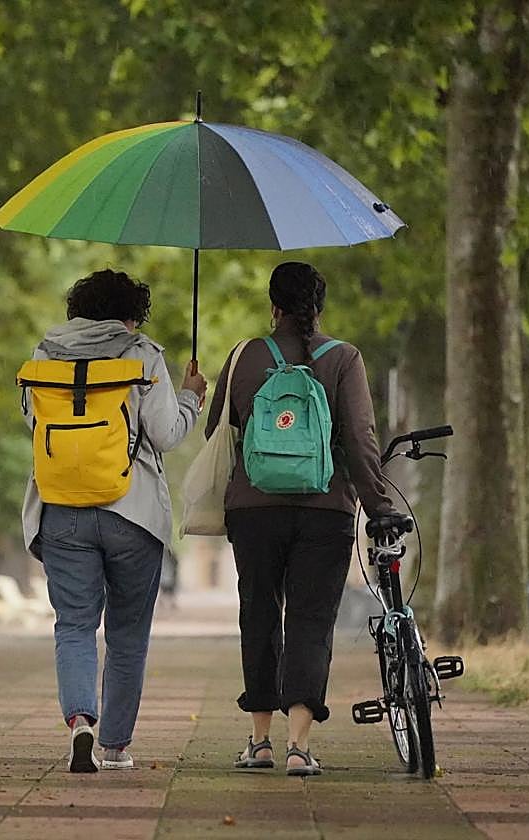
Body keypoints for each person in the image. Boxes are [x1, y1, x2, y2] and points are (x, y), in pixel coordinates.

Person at [204, 261, 402, 775]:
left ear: (273, 307)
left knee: (259, 614)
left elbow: (216, 434)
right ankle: (298, 746)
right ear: (320, 307)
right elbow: (361, 442)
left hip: (254, 510)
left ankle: (260, 741)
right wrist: (379, 508)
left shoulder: (244, 356)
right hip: (325, 511)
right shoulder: (344, 358)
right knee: (311, 621)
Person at [21, 268, 207, 772]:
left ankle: (81, 721)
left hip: (60, 510)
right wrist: (191, 394)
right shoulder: (142, 353)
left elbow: (35, 424)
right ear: (132, 315)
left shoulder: (43, 353)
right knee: (127, 633)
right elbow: (166, 434)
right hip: (133, 511)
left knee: (75, 624)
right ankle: (116, 745)